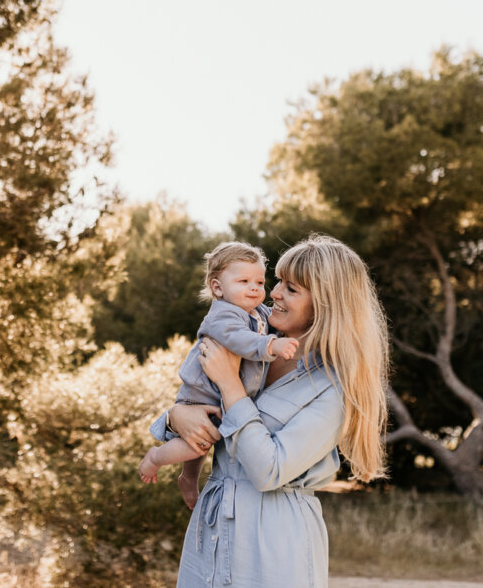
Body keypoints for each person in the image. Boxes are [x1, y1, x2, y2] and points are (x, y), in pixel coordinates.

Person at [155, 234, 390, 588]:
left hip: (274, 539)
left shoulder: (333, 386)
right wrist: (174, 417)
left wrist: (230, 385)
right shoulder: (250, 337)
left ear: (325, 304)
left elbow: (270, 470)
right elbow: (196, 394)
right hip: (212, 524)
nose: (273, 293)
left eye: (291, 288)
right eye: (278, 281)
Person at [139, 241, 300, 509]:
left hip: (217, 395)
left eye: (259, 283)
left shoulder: (256, 311)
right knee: (198, 443)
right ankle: (156, 458)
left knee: (198, 442)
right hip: (202, 393)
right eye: (244, 281)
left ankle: (188, 478)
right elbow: (239, 340)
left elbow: (271, 319)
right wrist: (272, 345)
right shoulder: (222, 316)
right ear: (217, 287)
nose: (254, 288)